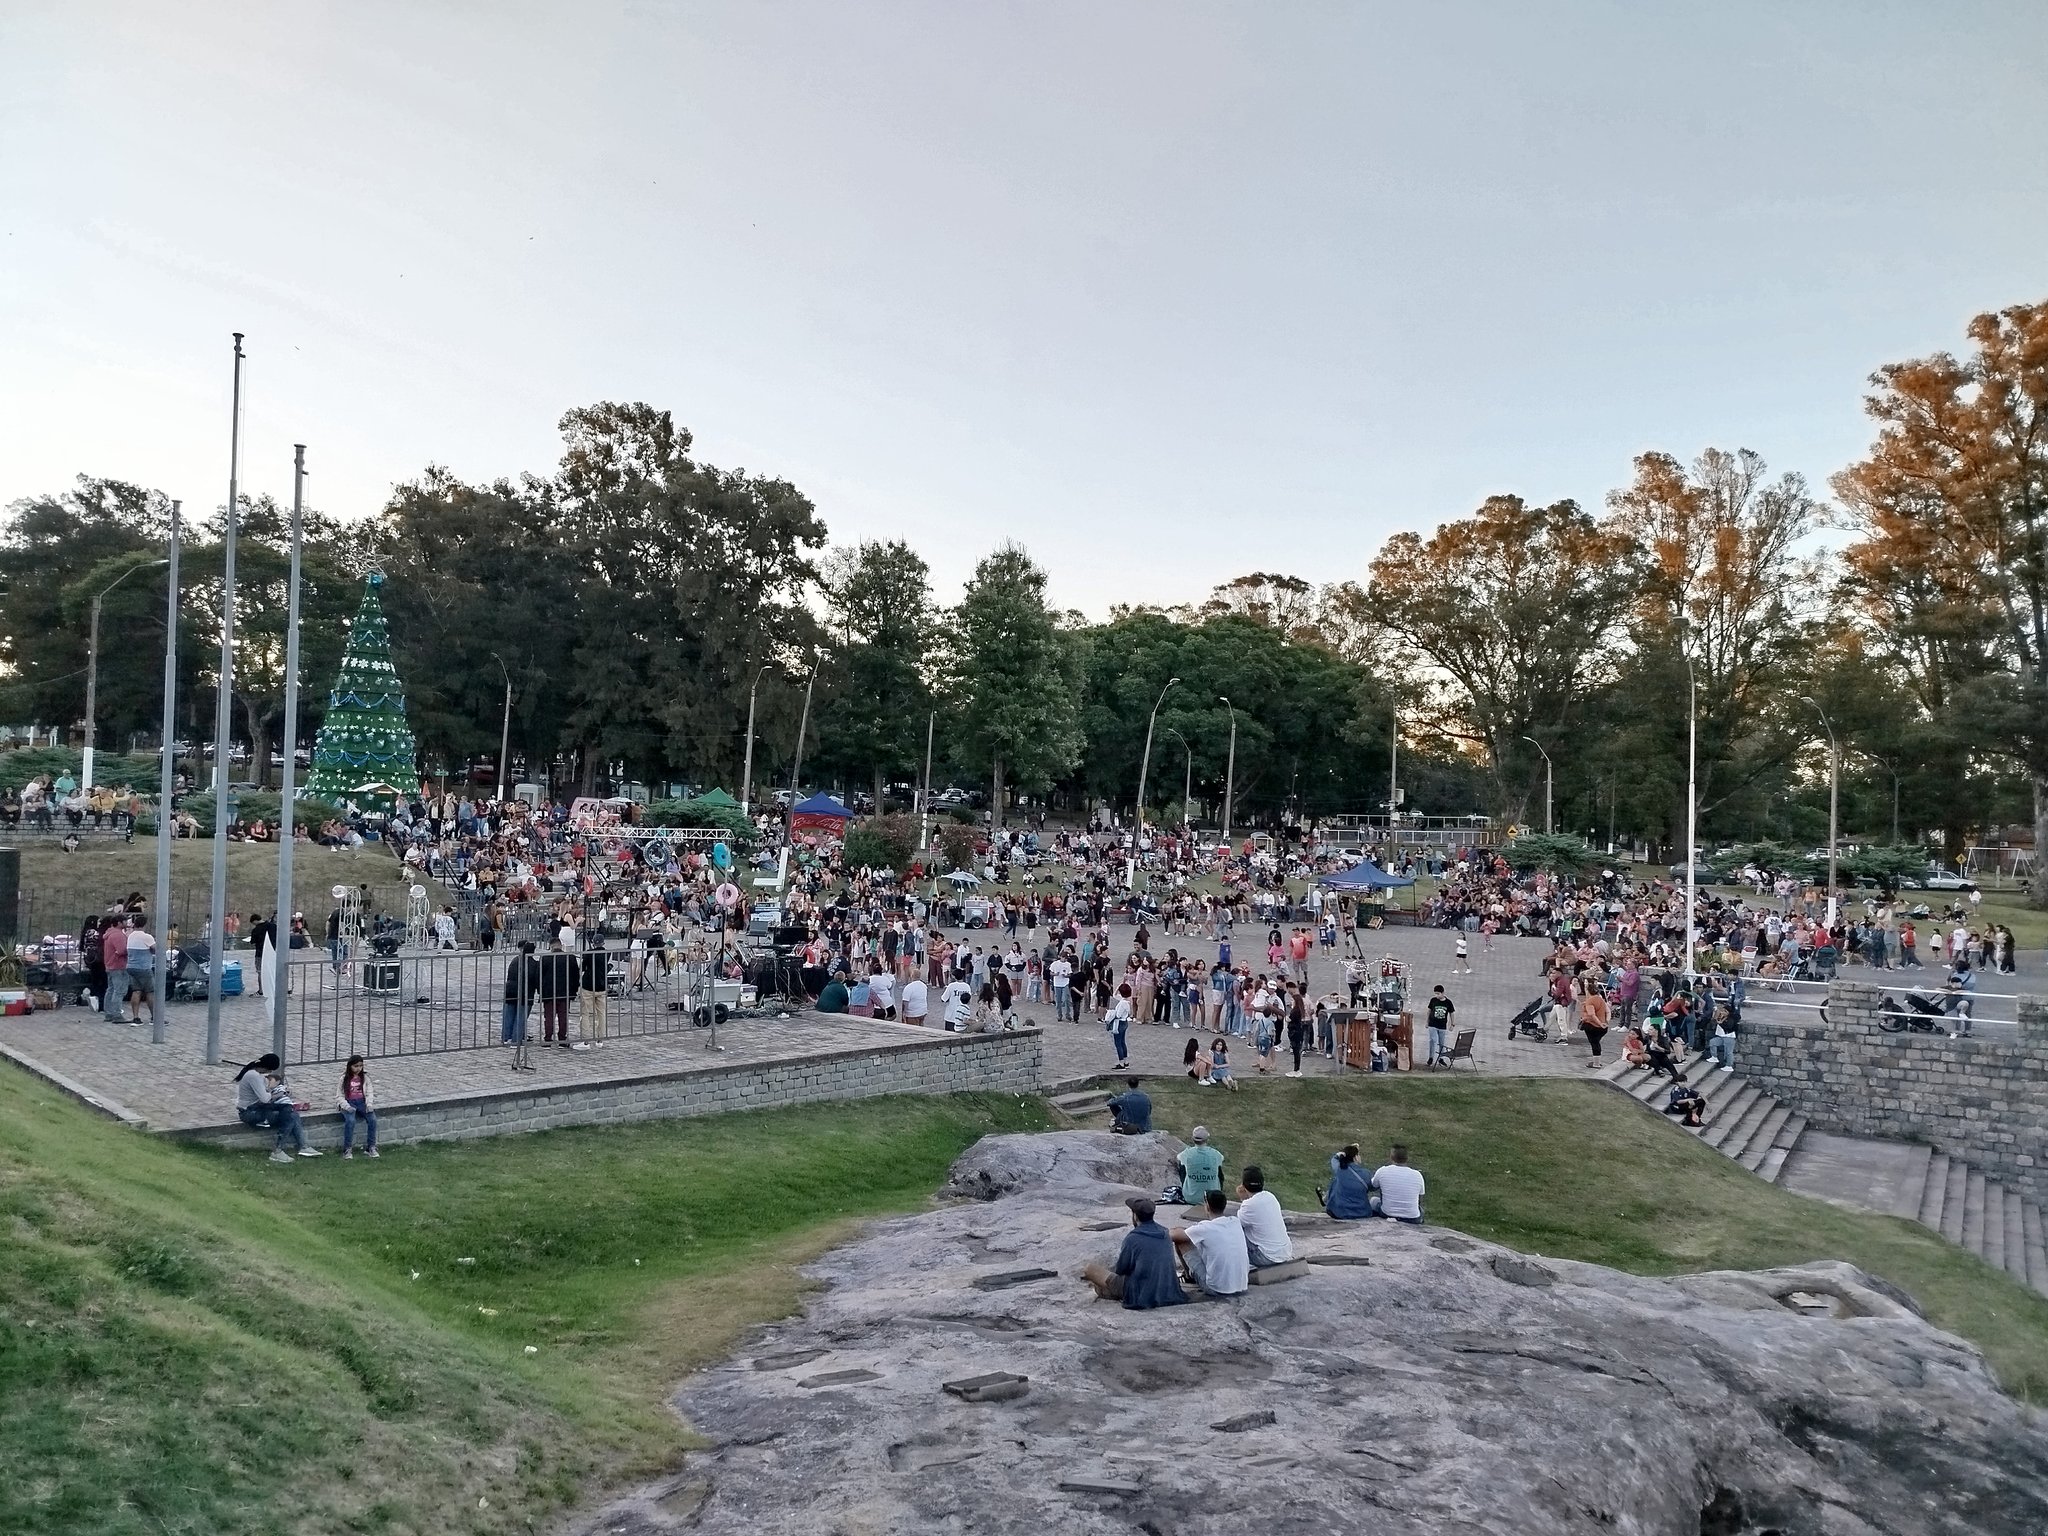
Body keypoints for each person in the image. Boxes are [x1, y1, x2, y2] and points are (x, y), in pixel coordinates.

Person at [1081, 1196, 1188, 1309]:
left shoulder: (1132, 1238)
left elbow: (1121, 1270)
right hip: (1166, 1289)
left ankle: (1106, 1291)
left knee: (1089, 1269)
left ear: (1135, 1216)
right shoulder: (1165, 1233)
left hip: (1138, 1293)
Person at [234, 1053, 316, 1162]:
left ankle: (303, 1147)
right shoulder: (253, 1076)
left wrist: (279, 1090)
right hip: (249, 1112)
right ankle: (279, 1151)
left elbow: (266, 1092)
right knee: (290, 1116)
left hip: (258, 1108)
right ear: (267, 1067)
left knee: (290, 1111)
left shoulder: (256, 1075)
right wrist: (279, 1094)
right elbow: (265, 1099)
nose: (270, 1073)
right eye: (270, 1070)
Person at [1172, 1189, 1251, 1297]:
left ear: (1207, 1206)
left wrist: (1174, 1230)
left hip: (1216, 1289)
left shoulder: (1205, 1228)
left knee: (1182, 1241)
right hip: (1242, 1286)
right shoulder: (1235, 1221)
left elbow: (1174, 1236)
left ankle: (1188, 1277)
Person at [1235, 1167, 1292, 1267]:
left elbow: (1237, 1225)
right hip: (1285, 1253)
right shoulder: (1271, 1197)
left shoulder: (1249, 1204)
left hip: (1266, 1257)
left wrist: (1243, 1199)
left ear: (1243, 1186)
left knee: (1232, 1233)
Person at [502, 940, 541, 1072]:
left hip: (510, 990)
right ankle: (515, 1040)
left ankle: (506, 1037)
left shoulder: (515, 960)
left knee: (509, 1015)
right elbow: (536, 980)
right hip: (525, 993)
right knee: (521, 1017)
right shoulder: (534, 964)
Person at [1368, 1144, 1425, 1223]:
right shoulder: (1417, 1175)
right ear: (1407, 1158)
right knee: (1421, 1211)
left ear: (1391, 1157)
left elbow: (1372, 1186)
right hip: (1412, 1218)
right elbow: (1420, 1199)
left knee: (1373, 1201)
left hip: (1387, 1214)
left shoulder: (1383, 1171)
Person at [337, 1055, 379, 1158]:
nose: (358, 1069)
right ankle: (347, 1149)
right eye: (355, 1066)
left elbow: (369, 1093)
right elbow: (339, 1096)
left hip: (362, 1102)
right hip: (349, 1102)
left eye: (360, 1066)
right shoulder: (344, 1079)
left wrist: (369, 1104)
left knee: (372, 1119)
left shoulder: (365, 1078)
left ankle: (371, 1147)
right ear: (350, 1066)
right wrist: (346, 1106)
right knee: (351, 1121)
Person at [1320, 1143, 1374, 1219]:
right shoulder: (1366, 1173)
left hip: (1340, 1213)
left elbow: (1334, 1159)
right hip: (1362, 1213)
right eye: (1358, 1155)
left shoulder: (1339, 1169)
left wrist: (1341, 1154)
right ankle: (1325, 1198)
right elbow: (1371, 1187)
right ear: (1355, 1158)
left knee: (1336, 1182)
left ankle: (1325, 1198)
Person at [1176, 1125, 1224, 1207]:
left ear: (1193, 1139)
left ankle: (1188, 1189)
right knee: (1218, 1170)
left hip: (1191, 1198)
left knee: (1183, 1167)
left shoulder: (1187, 1153)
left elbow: (1179, 1158)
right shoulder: (1215, 1154)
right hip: (1212, 1198)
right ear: (1206, 1139)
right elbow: (1221, 1163)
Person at [122, 914, 157, 1025]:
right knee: (150, 992)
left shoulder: (130, 936)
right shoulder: (147, 937)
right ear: (144, 925)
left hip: (131, 967)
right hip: (144, 968)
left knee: (136, 991)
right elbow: (156, 949)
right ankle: (154, 1017)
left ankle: (136, 1017)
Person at [100, 913, 131, 1023]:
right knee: (119, 990)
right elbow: (122, 950)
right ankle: (117, 1014)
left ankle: (109, 1013)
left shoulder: (109, 934)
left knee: (111, 989)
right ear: (119, 923)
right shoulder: (118, 935)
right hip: (118, 965)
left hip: (109, 964)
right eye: (125, 921)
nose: (127, 923)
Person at [1423, 984, 1454, 1068]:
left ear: (1443, 993)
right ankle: (1431, 1057)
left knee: (1442, 1042)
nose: (1437, 996)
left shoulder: (1448, 1002)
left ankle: (1441, 1058)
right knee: (1432, 1040)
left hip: (1442, 1025)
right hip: (1432, 1024)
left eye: (1438, 994)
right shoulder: (1433, 1000)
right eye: (1435, 994)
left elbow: (1451, 1013)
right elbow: (1429, 1011)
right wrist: (1427, 1022)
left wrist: (1452, 1024)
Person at [1106, 981, 1134, 1069]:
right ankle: (1126, 1061)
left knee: (1118, 1043)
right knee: (1122, 1042)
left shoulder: (1122, 1003)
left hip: (1119, 1023)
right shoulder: (1127, 1002)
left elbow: (1118, 1015)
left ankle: (1121, 1063)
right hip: (1124, 1022)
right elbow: (1115, 996)